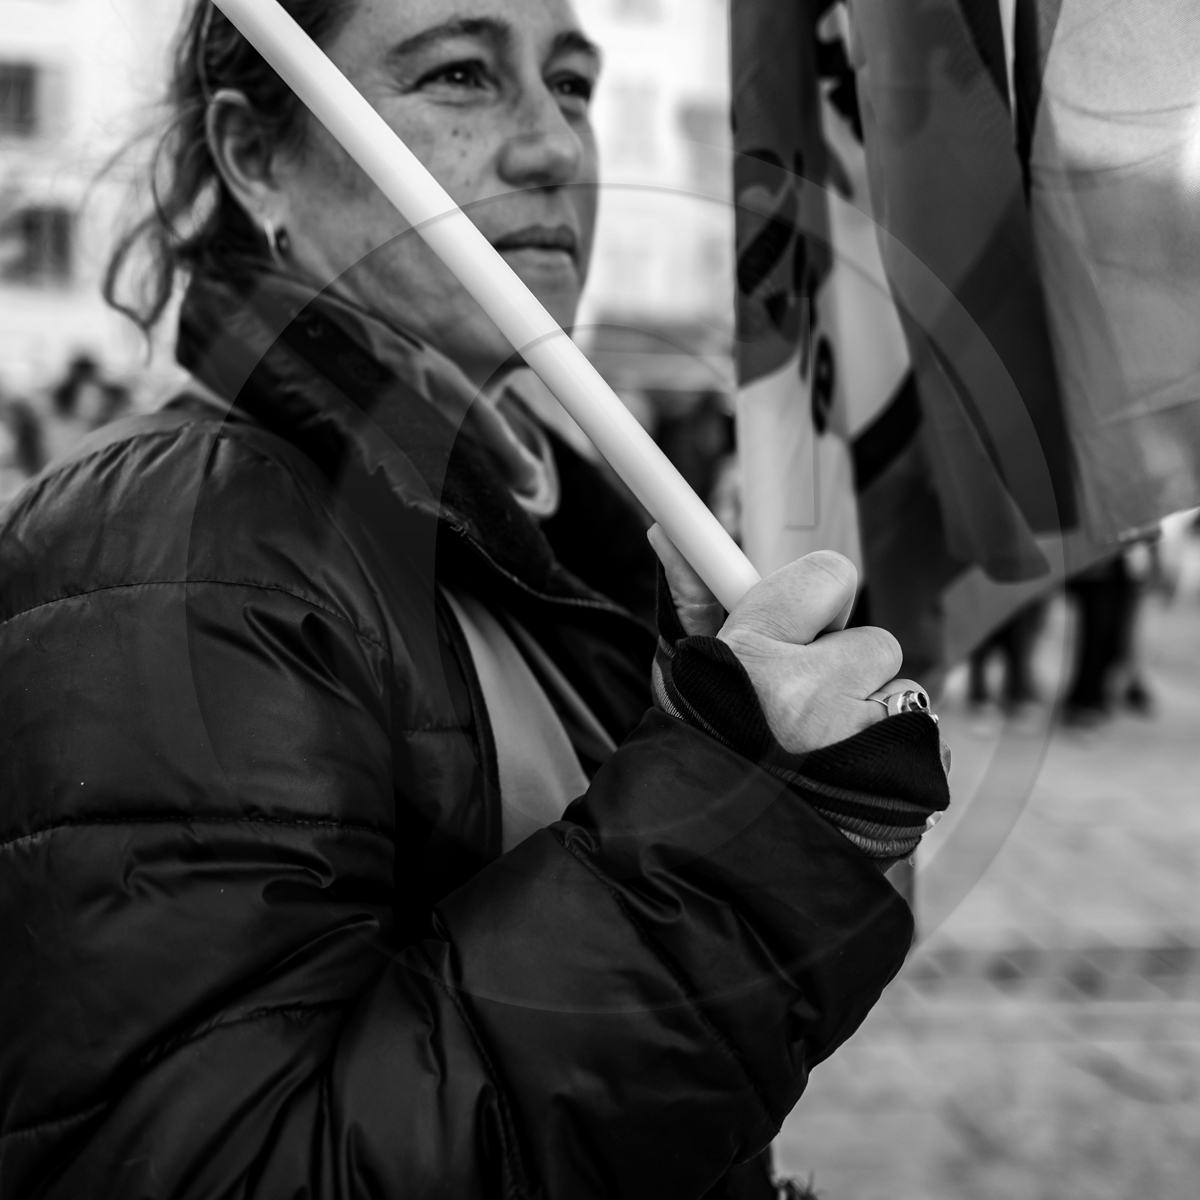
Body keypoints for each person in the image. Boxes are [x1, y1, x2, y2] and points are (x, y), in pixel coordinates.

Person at [0, 2, 949, 1197]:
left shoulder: (537, 528)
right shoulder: (185, 546)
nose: (554, 145)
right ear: (253, 156)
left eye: (572, 83)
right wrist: (728, 858)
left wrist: (778, 795)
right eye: (459, 74)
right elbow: (225, 1167)